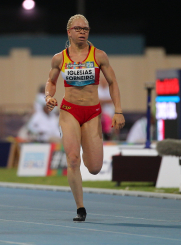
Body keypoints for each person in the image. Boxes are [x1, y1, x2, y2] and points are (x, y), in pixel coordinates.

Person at [45, 14, 125, 221]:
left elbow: (113, 82)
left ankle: (89, 176)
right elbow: (51, 81)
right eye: (78, 29)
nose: (82, 32)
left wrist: (118, 110)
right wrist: (48, 96)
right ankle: (80, 208)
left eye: (86, 29)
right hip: (69, 110)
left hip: (92, 113)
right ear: (69, 32)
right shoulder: (59, 58)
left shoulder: (99, 56)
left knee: (95, 168)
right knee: (72, 159)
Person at [98, 76, 114, 140]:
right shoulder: (98, 90)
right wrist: (106, 101)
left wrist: (102, 101)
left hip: (109, 111)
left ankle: (108, 135)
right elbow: (98, 101)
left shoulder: (110, 90)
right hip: (100, 111)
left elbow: (111, 100)